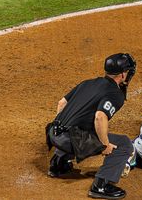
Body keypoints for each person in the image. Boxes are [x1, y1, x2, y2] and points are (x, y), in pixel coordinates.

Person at [46, 53, 137, 199]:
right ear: (122, 74)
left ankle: (58, 164)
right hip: (70, 141)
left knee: (80, 126)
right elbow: (100, 117)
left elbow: (62, 103)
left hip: (52, 132)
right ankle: (101, 185)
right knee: (124, 144)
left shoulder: (88, 82)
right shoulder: (115, 93)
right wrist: (105, 144)